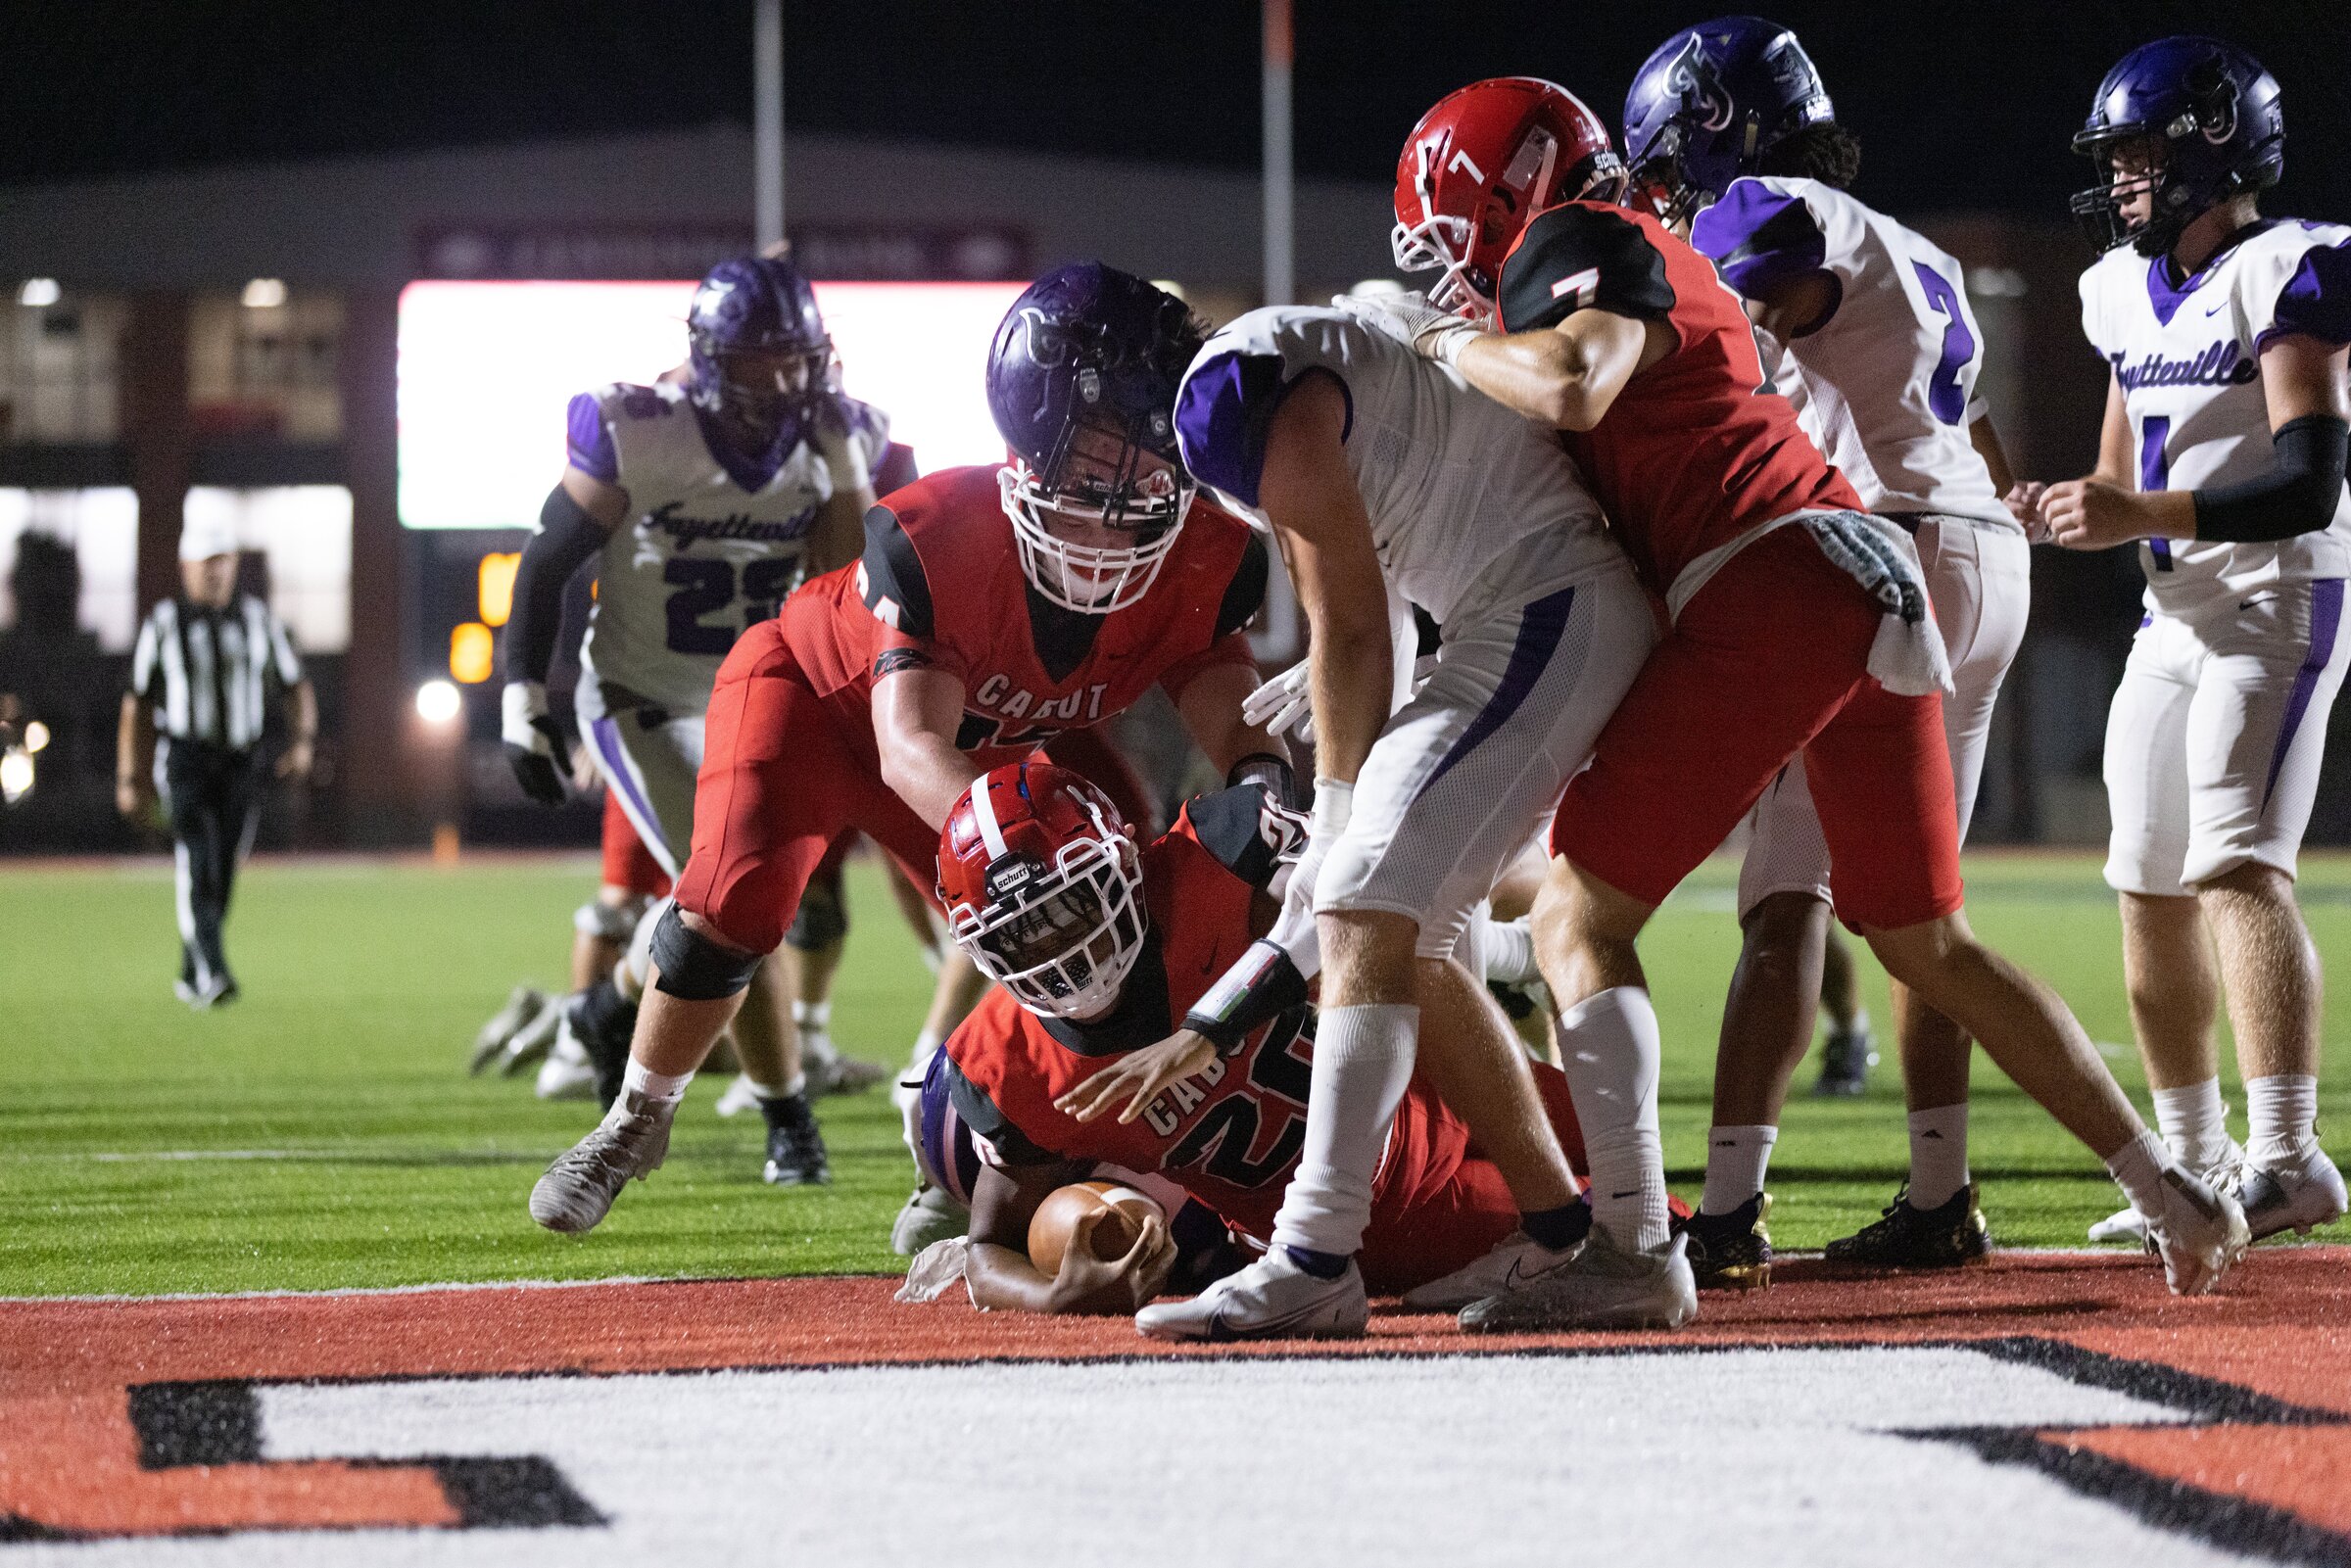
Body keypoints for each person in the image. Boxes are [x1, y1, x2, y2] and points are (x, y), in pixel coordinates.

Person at [1347, 74, 2246, 1324]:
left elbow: (1571, 382)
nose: (1452, 273)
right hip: (1869, 576)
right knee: (1929, 942)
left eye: (1454, 237)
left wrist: (1437, 341)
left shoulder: (1584, 245)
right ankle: (2174, 1191)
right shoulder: (1664, 251)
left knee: (1576, 921)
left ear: (1506, 197)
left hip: (1772, 580)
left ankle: (1630, 1249)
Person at [527, 263, 1290, 1235]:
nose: (1132, 487)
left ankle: (961, 1153)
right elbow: (910, 741)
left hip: (978, 741)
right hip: (820, 701)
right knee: (735, 894)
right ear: (1036, 436)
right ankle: (637, 1118)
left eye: (1153, 457)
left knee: (1089, 918)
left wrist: (1270, 788)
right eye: (1105, 454)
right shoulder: (942, 530)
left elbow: (1234, 713)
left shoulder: (1203, 553)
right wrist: (1019, 840)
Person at [1070, 93, 1655, 1341]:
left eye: (1082, 446)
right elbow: (1374, 597)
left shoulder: (1228, 390)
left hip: (1543, 601)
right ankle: (1570, 1234)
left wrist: (1337, 804)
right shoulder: (1302, 343)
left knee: (1365, 891)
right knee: (1397, 924)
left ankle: (1320, 1259)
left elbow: (1347, 626)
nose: (1088, 479)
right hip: (1517, 605)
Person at [1620, 17, 2035, 1282]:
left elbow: (1719, 333)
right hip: (1976, 547)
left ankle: (1733, 1209)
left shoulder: (1767, 207)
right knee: (1921, 914)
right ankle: (1939, 1187)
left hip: (1882, 555)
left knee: (1784, 900)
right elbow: (1988, 446)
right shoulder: (1912, 246)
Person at [929, 763, 1593, 1318]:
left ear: (1123, 857)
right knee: (1630, 1238)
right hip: (1396, 1212)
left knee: (1629, 1161)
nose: (1061, 949)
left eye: (1074, 904)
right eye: (1024, 935)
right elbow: (986, 1249)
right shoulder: (1010, 1061)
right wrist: (1053, 1295)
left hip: (1447, 1062)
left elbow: (1365, 909)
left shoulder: (1217, 857)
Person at [2042, 36, 2348, 1244]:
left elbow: (2310, 479)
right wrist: (2071, 510)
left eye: (2140, 150)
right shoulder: (2118, 287)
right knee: (2145, 878)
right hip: (2172, 613)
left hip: (2278, 596)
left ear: (2213, 146)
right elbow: (2120, 474)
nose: (2123, 175)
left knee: (2236, 865)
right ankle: (2196, 1157)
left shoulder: (2291, 265)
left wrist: (2139, 514)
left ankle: (2290, 1158)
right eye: (2116, 154)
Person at [499, 254, 885, 1184]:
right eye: (758, 363)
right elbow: (549, 562)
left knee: (719, 900)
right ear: (710, 359)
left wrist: (842, 471)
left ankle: (603, 1011)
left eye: (795, 360)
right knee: (738, 902)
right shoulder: (639, 428)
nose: (782, 384)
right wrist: (524, 697)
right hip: (639, 696)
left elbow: (848, 585)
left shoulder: (840, 434)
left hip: (755, 700)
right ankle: (789, 1119)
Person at [118, 514, 316, 1008]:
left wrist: (303, 741)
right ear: (187, 567)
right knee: (199, 860)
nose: (216, 573)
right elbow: (136, 703)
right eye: (207, 563)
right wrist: (129, 775)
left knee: (224, 868)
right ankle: (217, 971)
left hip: (241, 763)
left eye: (223, 562)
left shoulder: (257, 620)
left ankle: (191, 971)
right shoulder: (165, 623)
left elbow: (295, 684)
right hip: (185, 759)